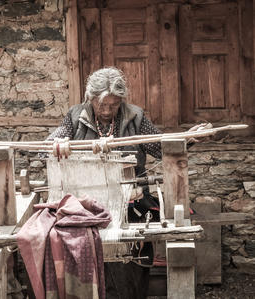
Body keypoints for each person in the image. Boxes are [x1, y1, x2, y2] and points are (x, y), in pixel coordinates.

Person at [45, 67, 206, 299]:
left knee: (128, 264)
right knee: (89, 260)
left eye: (114, 104)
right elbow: (46, 149)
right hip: (86, 206)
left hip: (130, 201)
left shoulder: (135, 117)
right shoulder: (75, 117)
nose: (108, 110)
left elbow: (160, 148)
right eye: (102, 104)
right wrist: (57, 144)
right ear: (90, 98)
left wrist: (187, 138)